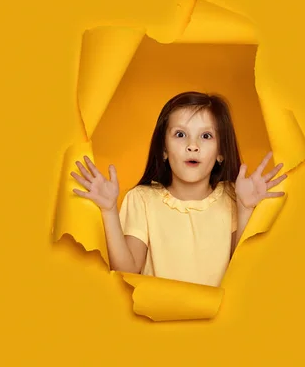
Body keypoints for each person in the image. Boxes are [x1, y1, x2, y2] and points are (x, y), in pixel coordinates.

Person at [70, 91, 287, 287]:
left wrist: (245, 209)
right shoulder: (142, 199)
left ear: (221, 153)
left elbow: (242, 270)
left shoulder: (233, 197)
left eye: (206, 136)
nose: (193, 145)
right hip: (157, 322)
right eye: (180, 135)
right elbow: (126, 271)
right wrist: (108, 210)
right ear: (163, 150)